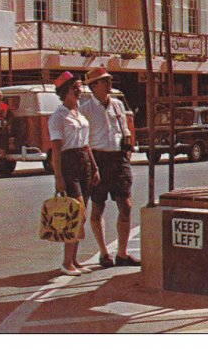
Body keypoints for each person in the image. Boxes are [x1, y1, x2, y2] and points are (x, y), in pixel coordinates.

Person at [80, 66, 140, 268]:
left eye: (109, 80)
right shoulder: (85, 109)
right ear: (93, 86)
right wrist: (92, 166)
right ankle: (104, 253)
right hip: (98, 159)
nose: (109, 83)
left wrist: (128, 150)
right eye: (104, 80)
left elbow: (125, 130)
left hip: (118, 159)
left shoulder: (117, 105)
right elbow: (84, 141)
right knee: (98, 206)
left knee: (126, 205)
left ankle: (122, 254)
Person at [48, 71, 100, 276]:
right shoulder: (58, 117)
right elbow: (56, 150)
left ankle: (74, 260)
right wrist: (58, 177)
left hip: (84, 163)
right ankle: (66, 262)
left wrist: (94, 167)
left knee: (81, 215)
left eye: (79, 87)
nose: (79, 91)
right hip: (69, 165)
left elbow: (86, 145)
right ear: (65, 91)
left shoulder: (79, 114)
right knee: (77, 213)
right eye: (75, 88)